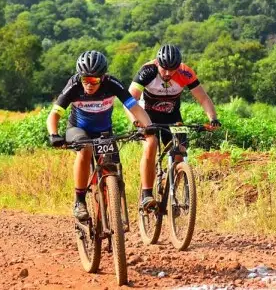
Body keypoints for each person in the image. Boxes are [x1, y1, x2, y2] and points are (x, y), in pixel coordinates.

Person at [47, 50, 155, 221]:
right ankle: (79, 201)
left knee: (114, 173)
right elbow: (54, 115)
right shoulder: (74, 85)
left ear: (103, 77)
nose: (89, 84)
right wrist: (54, 134)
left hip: (104, 132)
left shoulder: (112, 84)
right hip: (78, 129)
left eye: (94, 80)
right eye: (85, 79)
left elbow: (134, 107)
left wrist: (149, 127)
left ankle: (110, 212)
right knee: (86, 148)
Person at [128, 44, 221, 210]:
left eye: (172, 70)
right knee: (151, 144)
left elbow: (203, 98)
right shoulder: (147, 71)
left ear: (179, 66)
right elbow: (130, 100)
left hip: (172, 116)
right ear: (158, 63)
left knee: (180, 152)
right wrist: (136, 121)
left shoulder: (185, 72)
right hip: (147, 116)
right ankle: (146, 194)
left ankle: (170, 188)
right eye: (164, 69)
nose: (168, 73)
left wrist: (213, 118)